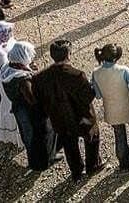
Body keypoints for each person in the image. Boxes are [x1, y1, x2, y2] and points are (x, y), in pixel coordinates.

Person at [33, 40, 103, 181]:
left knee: (69, 145)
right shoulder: (77, 75)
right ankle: (92, 165)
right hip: (82, 117)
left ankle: (76, 172)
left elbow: (39, 99)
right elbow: (88, 97)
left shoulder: (39, 78)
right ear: (68, 55)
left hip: (59, 119)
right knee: (92, 139)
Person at [0, 41, 57, 171]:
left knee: (28, 136)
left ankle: (36, 160)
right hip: (30, 112)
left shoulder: (8, 69)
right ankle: (43, 162)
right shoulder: (23, 80)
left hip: (18, 108)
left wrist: (30, 69)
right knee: (39, 136)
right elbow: (33, 100)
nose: (31, 58)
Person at [92, 44, 129, 171]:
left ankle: (125, 162)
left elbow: (98, 96)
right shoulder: (123, 70)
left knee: (119, 134)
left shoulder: (95, 73)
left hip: (112, 111)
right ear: (115, 58)